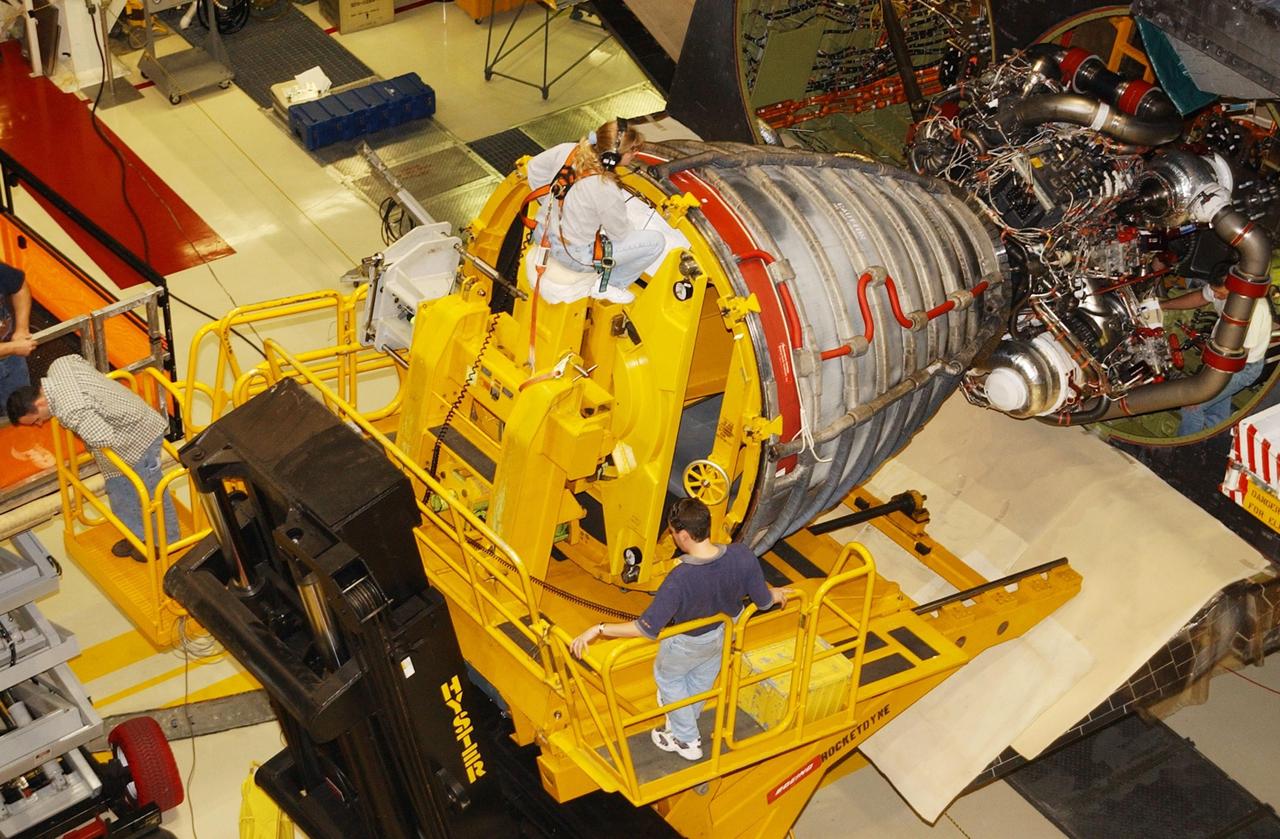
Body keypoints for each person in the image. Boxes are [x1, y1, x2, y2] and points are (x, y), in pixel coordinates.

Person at [570, 497, 791, 761]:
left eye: (674, 533)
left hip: (688, 643)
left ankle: (686, 740)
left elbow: (645, 629)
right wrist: (776, 594)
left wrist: (599, 628)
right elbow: (764, 601)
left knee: (670, 680)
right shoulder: (742, 555)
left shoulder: (680, 579)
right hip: (724, 634)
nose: (673, 538)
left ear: (684, 535)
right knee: (699, 680)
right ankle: (683, 720)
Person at [6, 354, 179, 560]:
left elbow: (102, 436)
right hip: (121, 443)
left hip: (139, 437)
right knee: (119, 491)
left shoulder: (69, 409)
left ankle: (167, 541)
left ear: (41, 401)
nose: (40, 424)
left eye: (36, 420)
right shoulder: (58, 365)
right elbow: (77, 358)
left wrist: (81, 421)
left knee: (151, 491)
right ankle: (137, 536)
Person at [525, 118, 665, 305]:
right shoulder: (604, 187)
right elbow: (620, 234)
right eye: (632, 151)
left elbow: (534, 168)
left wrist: (552, 202)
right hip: (573, 256)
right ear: (612, 158)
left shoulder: (568, 150)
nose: (635, 154)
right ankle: (609, 286)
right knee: (655, 242)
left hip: (543, 234)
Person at [1162, 274, 1274, 435]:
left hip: (1241, 368)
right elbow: (1201, 297)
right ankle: (1212, 441)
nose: (1215, 296)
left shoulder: (1254, 310)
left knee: (1191, 406)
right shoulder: (1222, 287)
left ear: (1235, 289)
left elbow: (1239, 356)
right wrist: (1164, 305)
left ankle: (1182, 449)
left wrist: (1205, 379)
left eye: (1220, 293)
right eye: (1214, 291)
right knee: (1216, 410)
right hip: (1221, 360)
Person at [0, 260, 35, 410]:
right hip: (13, 351)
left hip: (11, 361)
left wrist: (21, 329)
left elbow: (19, 286)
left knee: (24, 412)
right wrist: (14, 347)